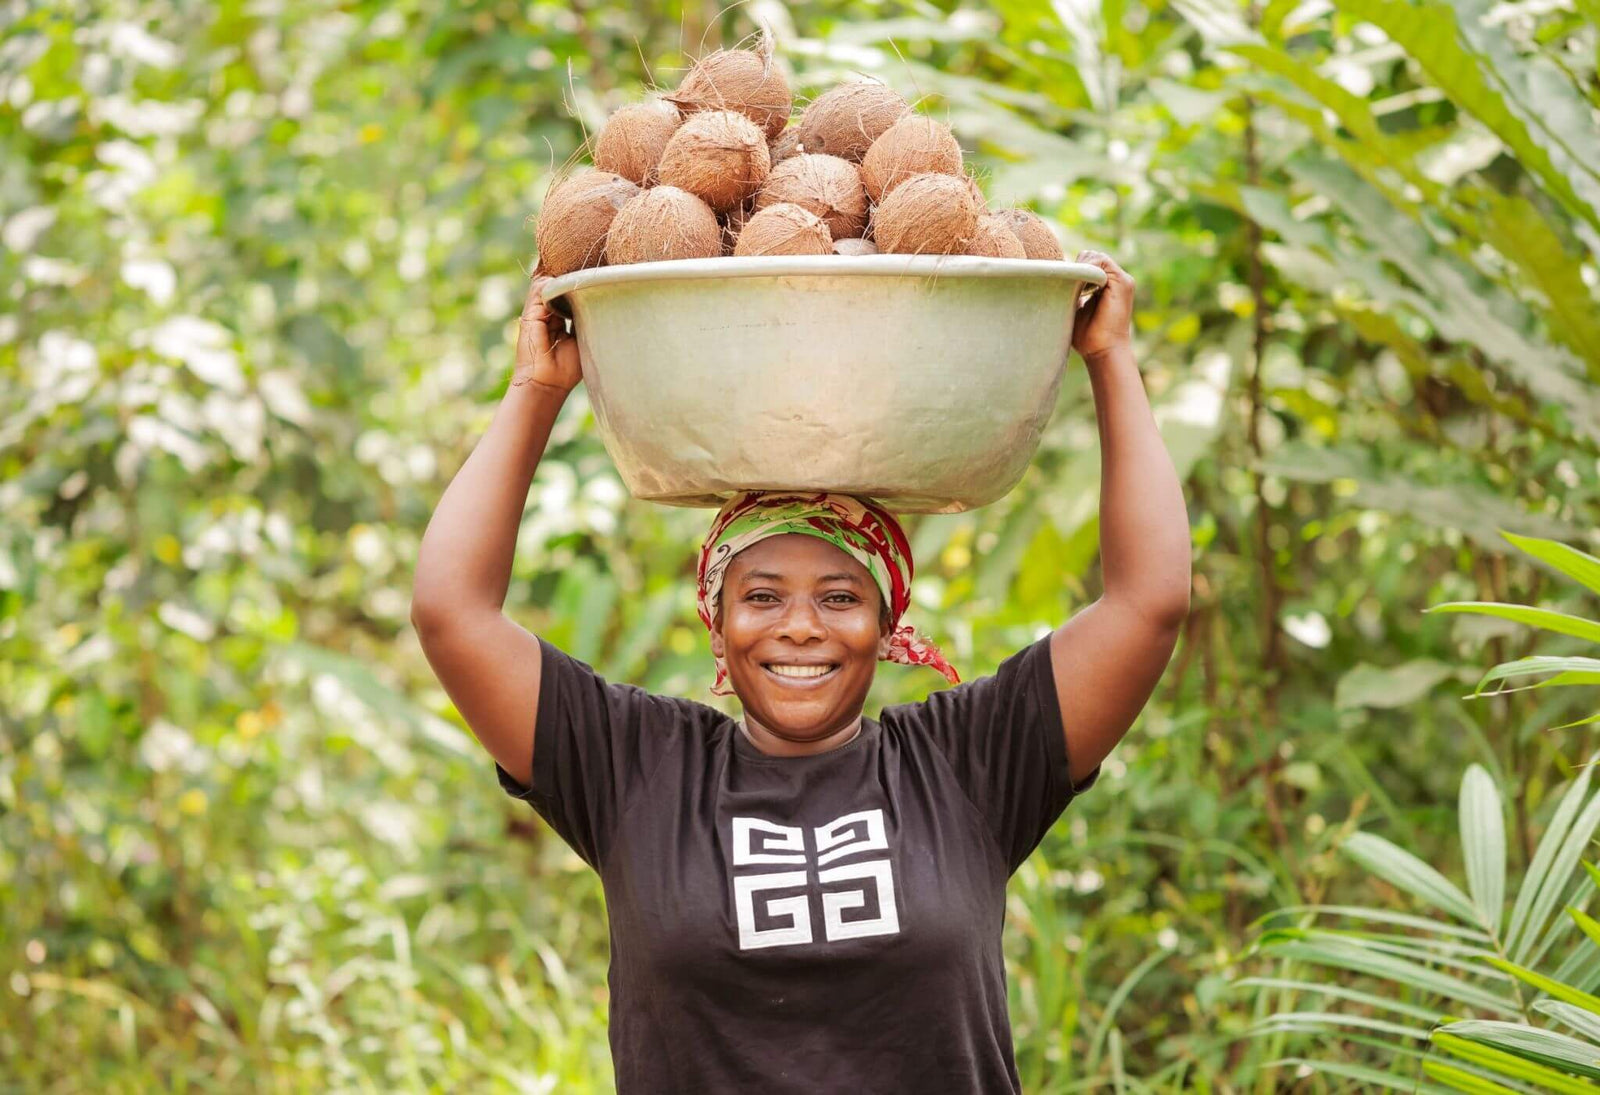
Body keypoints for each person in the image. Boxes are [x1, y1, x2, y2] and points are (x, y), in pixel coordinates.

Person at [410, 250, 1190, 1093]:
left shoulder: (965, 763)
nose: (801, 629)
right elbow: (453, 613)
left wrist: (1110, 358)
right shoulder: (638, 767)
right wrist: (537, 388)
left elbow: (1147, 603)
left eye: (840, 597)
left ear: (887, 622)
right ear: (718, 616)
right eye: (764, 596)